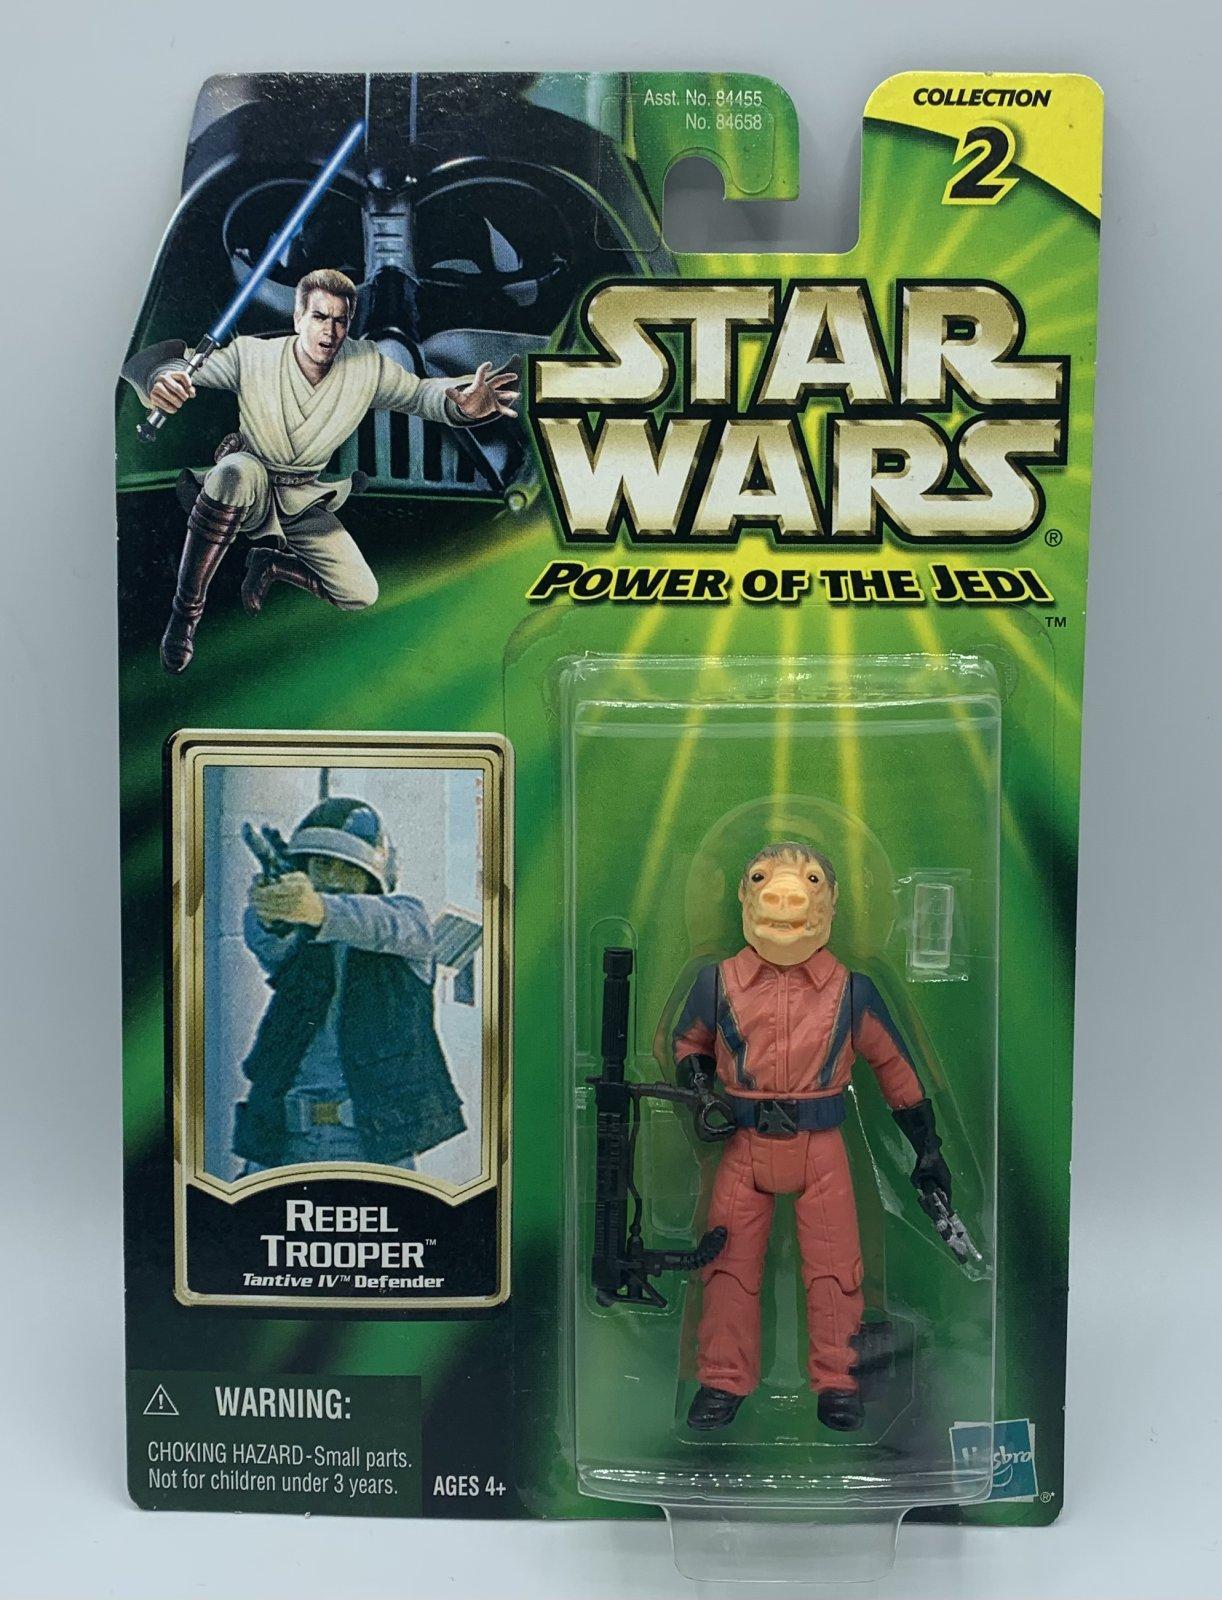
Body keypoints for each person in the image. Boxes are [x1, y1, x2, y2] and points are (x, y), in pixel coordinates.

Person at [672, 841, 952, 1433]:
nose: (785, 894)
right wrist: (700, 1089)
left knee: (834, 1271)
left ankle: (840, 1380)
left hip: (820, 1147)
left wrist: (927, 1146)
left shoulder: (851, 991)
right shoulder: (716, 983)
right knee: (727, 1267)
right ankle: (722, 1378)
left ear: (831, 901)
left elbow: (896, 1068)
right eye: (763, 879)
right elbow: (688, 1044)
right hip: (743, 1144)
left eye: (810, 880)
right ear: (744, 896)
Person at [122, 267, 519, 672]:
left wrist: (461, 404)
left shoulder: (367, 365)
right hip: (252, 475)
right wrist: (161, 380)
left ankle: (272, 564)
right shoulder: (252, 355)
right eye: (319, 317)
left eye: (340, 320)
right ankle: (184, 617)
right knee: (233, 474)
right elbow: (183, 366)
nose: (329, 331)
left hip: (302, 496)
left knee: (360, 593)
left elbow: (419, 394)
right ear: (298, 318)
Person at [234, 796, 465, 1172]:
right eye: (323, 865)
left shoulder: (405, 922)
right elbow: (266, 940)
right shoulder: (297, 936)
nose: (334, 879)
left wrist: (320, 909)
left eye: (350, 869)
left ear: (372, 880)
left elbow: (391, 924)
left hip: (373, 1144)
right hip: (281, 1139)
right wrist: (272, 910)